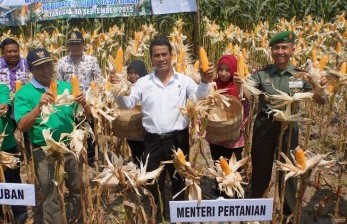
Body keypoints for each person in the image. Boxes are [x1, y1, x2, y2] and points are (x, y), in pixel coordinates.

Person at [110, 37, 214, 222]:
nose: (161, 58)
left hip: (178, 139)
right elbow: (127, 103)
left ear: (171, 55)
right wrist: (117, 89)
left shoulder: (184, 81)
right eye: (156, 55)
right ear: (151, 58)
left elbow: (198, 98)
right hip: (152, 141)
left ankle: (177, 218)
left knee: (179, 181)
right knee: (152, 183)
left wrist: (205, 82)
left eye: (164, 54)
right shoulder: (143, 83)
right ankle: (156, 217)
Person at [250, 31, 327, 215]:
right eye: (276, 48)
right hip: (265, 126)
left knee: (289, 173)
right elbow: (246, 92)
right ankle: (255, 212)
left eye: (284, 47)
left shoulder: (301, 75)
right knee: (260, 170)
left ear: (292, 50)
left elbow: (320, 100)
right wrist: (240, 84)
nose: (280, 52)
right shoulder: (261, 74)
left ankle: (288, 213)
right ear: (271, 51)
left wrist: (318, 86)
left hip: (290, 128)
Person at [14, 48, 92, 224]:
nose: (46, 70)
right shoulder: (24, 94)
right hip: (44, 150)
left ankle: (76, 219)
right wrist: (38, 106)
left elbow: (88, 116)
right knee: (51, 193)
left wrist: (84, 103)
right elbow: (22, 126)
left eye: (49, 64)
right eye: (40, 67)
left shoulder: (66, 87)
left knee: (77, 188)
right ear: (31, 70)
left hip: (71, 146)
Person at [57, 30, 104, 165]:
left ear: (83, 44)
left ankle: (91, 159)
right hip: (69, 104)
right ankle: (74, 159)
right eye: (72, 44)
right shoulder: (62, 62)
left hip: (88, 103)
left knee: (90, 132)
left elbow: (99, 82)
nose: (75, 47)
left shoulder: (92, 60)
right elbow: (59, 84)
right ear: (68, 46)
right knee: (72, 132)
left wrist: (93, 100)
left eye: (78, 44)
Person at [207, 54, 250, 198]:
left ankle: (233, 192)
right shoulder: (212, 85)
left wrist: (239, 125)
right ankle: (220, 189)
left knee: (233, 164)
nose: (224, 73)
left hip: (234, 136)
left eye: (228, 70)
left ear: (234, 71)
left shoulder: (239, 86)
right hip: (216, 133)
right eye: (221, 69)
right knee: (218, 162)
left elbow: (245, 108)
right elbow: (205, 107)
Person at [0, 84, 27, 223]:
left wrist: (4, 105)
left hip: (7, 146)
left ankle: (20, 216)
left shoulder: (2, 88)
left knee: (13, 182)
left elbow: (4, 101)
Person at [125, 59, 148, 167]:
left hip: (145, 129)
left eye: (136, 73)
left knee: (147, 153)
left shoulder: (148, 86)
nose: (133, 76)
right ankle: (139, 169)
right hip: (132, 128)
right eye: (130, 73)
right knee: (136, 151)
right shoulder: (125, 87)